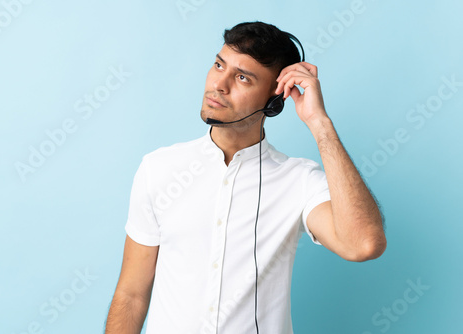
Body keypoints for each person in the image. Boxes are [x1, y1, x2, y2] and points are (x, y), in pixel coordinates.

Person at [105, 21, 386, 334]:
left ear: (274, 100)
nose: (219, 84)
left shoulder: (299, 180)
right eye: (218, 65)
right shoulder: (158, 168)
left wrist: (320, 124)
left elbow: (363, 245)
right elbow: (131, 294)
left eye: (242, 77)